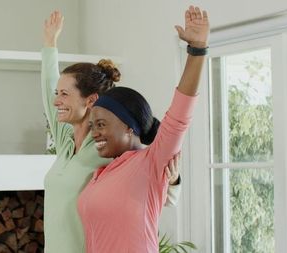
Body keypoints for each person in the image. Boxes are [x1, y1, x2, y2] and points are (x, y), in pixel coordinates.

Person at [42, 10, 183, 253]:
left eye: (65, 94)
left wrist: (173, 181)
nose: (57, 101)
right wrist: (49, 45)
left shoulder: (106, 148)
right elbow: (47, 92)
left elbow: (152, 182)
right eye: (58, 94)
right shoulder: (65, 141)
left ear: (91, 100)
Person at [77, 6, 209, 252]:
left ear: (129, 126)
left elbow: (180, 114)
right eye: (93, 125)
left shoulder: (149, 162)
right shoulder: (102, 173)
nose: (94, 132)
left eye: (101, 124)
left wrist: (197, 51)